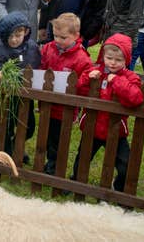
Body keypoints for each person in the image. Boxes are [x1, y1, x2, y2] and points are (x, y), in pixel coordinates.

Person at [72, 33, 143, 192]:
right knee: (82, 158)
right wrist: (87, 79)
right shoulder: (95, 72)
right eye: (109, 58)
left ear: (126, 60)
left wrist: (116, 80)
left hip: (116, 130)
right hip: (92, 127)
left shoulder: (130, 77)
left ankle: (119, 188)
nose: (113, 63)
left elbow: (136, 98)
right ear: (104, 55)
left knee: (125, 165)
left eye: (118, 60)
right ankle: (75, 183)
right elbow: (78, 90)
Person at [0, 11, 41, 157]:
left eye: (18, 36)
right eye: (10, 37)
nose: (14, 40)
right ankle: (6, 153)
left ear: (25, 32)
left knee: (28, 127)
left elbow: (39, 64)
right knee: (6, 127)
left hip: (26, 96)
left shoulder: (32, 48)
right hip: (7, 98)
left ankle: (16, 145)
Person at [40, 13, 92, 175]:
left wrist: (76, 88)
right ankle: (49, 161)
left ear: (76, 36)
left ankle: (54, 166)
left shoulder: (81, 58)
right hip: (47, 102)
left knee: (59, 139)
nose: (58, 40)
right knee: (46, 135)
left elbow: (84, 83)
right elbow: (41, 67)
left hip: (65, 109)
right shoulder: (49, 48)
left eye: (63, 37)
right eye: (55, 36)